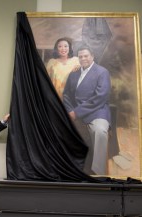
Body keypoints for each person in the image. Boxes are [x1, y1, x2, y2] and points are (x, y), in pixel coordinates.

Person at [63, 46, 111, 175]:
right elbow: (66, 94)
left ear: (92, 56)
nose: (83, 58)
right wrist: (69, 111)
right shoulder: (73, 74)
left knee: (100, 131)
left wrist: (76, 112)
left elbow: (100, 97)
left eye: (86, 56)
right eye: (80, 56)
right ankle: (67, 169)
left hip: (97, 111)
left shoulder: (102, 72)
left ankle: (98, 172)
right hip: (75, 112)